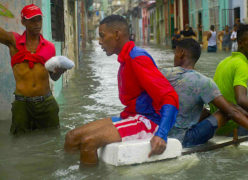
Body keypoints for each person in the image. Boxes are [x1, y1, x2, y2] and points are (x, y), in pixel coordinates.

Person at [64, 15, 179, 165]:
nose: (99, 41)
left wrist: (161, 134)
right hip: (131, 115)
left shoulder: (137, 58)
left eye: (102, 36)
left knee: (89, 142)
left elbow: (170, 96)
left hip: (148, 121)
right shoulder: (127, 58)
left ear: (117, 34)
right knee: (71, 137)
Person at [161, 38, 248, 148]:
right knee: (226, 111)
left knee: (207, 110)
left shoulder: (163, 74)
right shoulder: (203, 82)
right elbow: (233, 112)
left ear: (181, 53)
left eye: (175, 53)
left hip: (162, 132)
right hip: (185, 139)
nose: (174, 56)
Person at [0, 4, 66, 135]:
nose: (37, 24)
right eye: (32, 20)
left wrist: (59, 72)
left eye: (39, 19)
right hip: (22, 105)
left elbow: (53, 77)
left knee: (52, 140)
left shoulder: (49, 47)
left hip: (46, 103)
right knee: (19, 142)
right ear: (23, 21)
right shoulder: (14, 41)